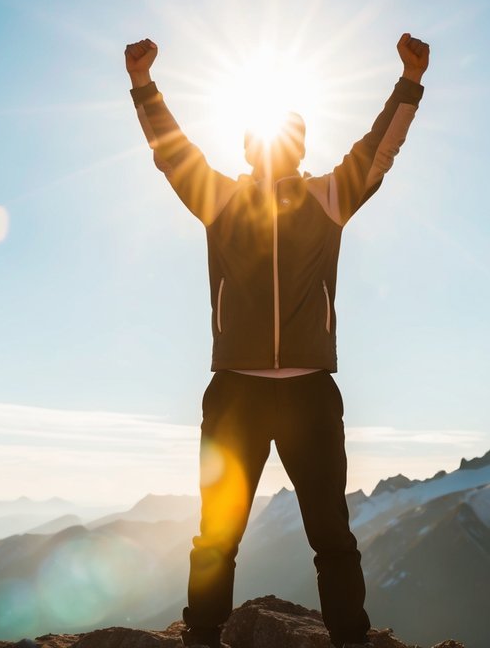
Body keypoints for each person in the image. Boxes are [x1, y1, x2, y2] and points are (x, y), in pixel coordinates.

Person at [124, 32, 430, 648]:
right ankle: (202, 637)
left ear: (298, 148)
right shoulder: (223, 199)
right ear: (250, 147)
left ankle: (350, 639)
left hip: (310, 392)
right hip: (235, 389)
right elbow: (171, 151)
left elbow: (379, 151)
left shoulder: (327, 197)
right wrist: (143, 85)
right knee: (218, 533)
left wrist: (409, 83)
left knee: (330, 535)